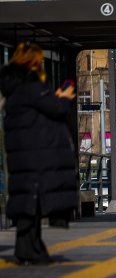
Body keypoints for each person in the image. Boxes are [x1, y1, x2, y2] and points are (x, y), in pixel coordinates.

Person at [0, 42, 77, 265]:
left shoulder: (15, 88)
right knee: (31, 203)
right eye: (40, 60)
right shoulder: (31, 86)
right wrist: (63, 97)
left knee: (28, 203)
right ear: (33, 62)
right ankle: (29, 250)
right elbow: (57, 109)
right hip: (36, 156)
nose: (42, 64)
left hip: (24, 155)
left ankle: (29, 249)